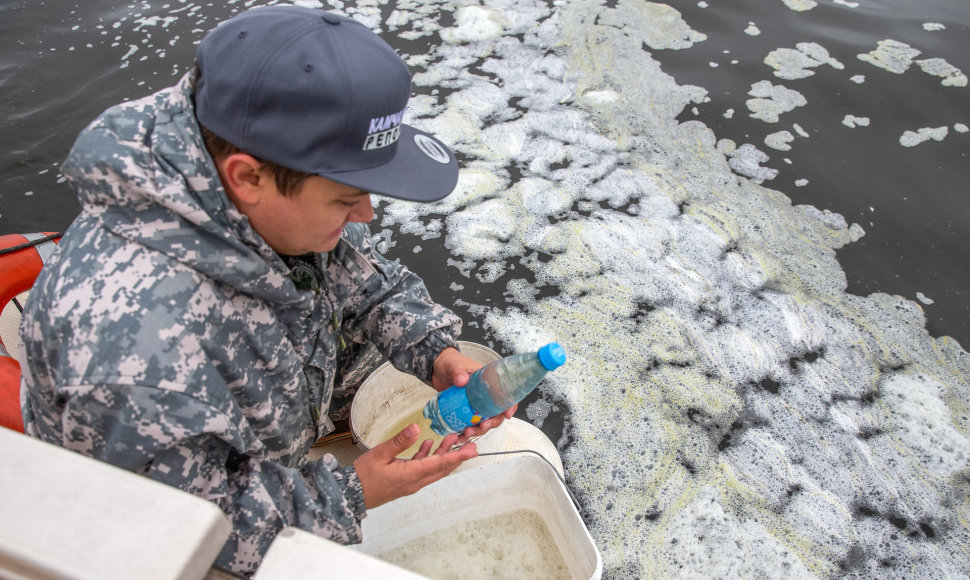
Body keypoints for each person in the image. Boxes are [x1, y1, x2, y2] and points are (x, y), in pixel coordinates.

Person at [18, 5, 513, 575]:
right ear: (248, 178)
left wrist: (436, 351)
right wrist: (354, 492)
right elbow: (172, 533)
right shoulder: (132, 350)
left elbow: (363, 282)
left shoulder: (244, 167)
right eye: (345, 198)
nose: (368, 214)